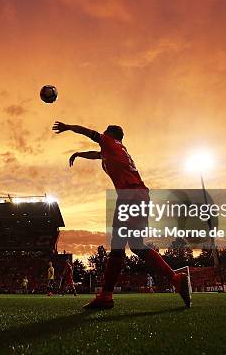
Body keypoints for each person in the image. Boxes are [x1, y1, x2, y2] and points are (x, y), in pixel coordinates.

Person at [53, 121, 191, 309]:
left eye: (105, 131)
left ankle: (106, 296)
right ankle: (175, 278)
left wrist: (68, 127)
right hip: (141, 195)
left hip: (130, 195)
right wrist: (79, 154)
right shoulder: (117, 149)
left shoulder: (109, 142)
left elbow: (89, 133)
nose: (102, 133)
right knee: (136, 245)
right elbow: (97, 155)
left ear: (110, 134)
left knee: (118, 246)